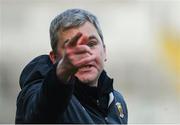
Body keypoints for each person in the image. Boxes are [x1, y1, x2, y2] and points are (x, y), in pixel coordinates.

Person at [15, 8, 128, 124]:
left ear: (104, 51)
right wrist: (63, 70)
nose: (84, 52)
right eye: (73, 47)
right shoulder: (39, 92)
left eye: (91, 44)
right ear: (54, 58)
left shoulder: (116, 101)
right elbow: (39, 114)